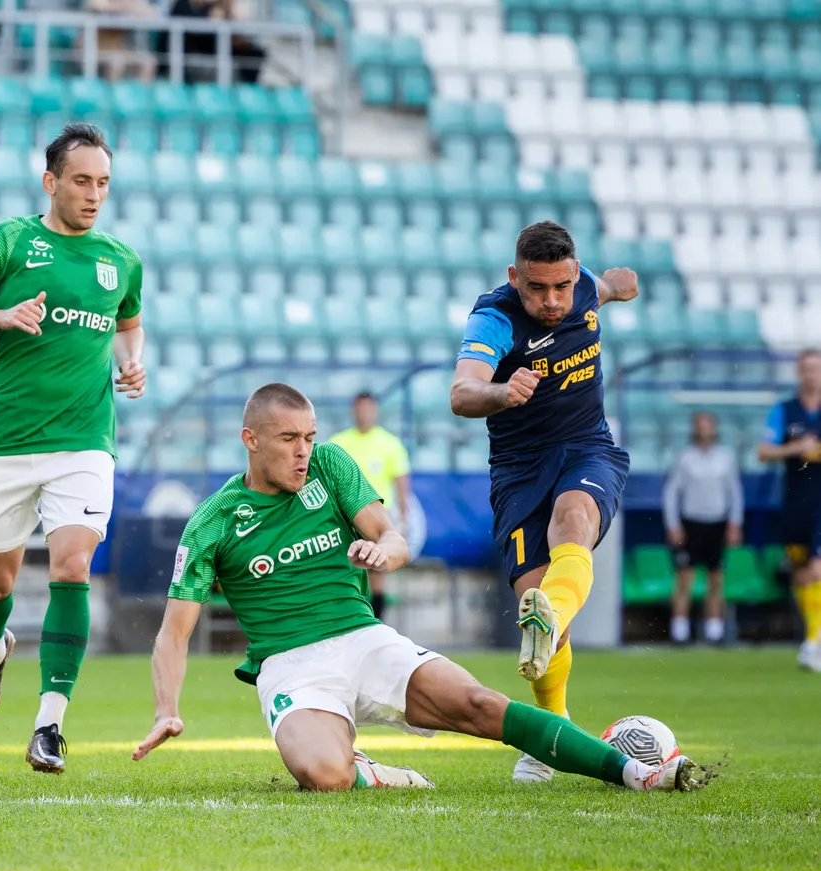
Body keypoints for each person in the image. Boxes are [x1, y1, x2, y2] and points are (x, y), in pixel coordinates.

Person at [133, 383, 711, 795]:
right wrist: (166, 709)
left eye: (309, 436)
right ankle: (372, 770)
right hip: (291, 667)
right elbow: (175, 632)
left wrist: (385, 550)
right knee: (324, 777)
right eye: (288, 439)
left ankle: (635, 771)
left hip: (363, 637)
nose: (303, 451)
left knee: (481, 705)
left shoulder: (333, 465)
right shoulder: (214, 519)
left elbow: (394, 536)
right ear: (250, 441)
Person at [0, 123, 146, 773]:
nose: (94, 194)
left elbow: (129, 321)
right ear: (50, 181)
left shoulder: (121, 261)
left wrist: (132, 363)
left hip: (84, 442)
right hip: (5, 441)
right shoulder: (9, 242)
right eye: (81, 181)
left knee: (72, 568)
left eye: (103, 183)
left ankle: (49, 725)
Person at [450, 220, 638, 783]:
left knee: (573, 518)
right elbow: (462, 392)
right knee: (535, 594)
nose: (552, 300)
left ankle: (548, 623)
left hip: (586, 449)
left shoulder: (582, 285)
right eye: (537, 289)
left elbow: (605, 285)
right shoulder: (495, 316)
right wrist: (502, 392)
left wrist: (618, 284)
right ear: (515, 277)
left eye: (561, 286)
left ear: (573, 274)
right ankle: (551, 733)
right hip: (518, 472)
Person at [757, 348, 821, 671]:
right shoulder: (785, 410)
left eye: (816, 369)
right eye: (806, 369)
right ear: (799, 372)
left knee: (817, 568)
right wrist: (797, 448)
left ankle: (813, 644)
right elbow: (764, 451)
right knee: (800, 574)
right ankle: (814, 638)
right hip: (796, 502)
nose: (811, 374)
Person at [329, 391, 413, 622]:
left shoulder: (390, 444)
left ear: (375, 411)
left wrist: (404, 519)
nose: (363, 413)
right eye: (359, 408)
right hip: (343, 519)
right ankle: (345, 621)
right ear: (353, 411)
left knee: (376, 568)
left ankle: (376, 623)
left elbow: (401, 485)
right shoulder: (338, 443)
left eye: (367, 408)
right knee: (346, 569)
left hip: (376, 517)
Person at [663, 411, 744, 645]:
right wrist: (674, 524)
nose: (703, 430)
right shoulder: (685, 457)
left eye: (707, 425)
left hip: (717, 522)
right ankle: (679, 631)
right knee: (684, 577)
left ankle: (714, 631)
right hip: (691, 523)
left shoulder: (725, 458)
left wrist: (735, 522)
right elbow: (671, 492)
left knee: (716, 578)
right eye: (699, 425)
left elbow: (734, 492)